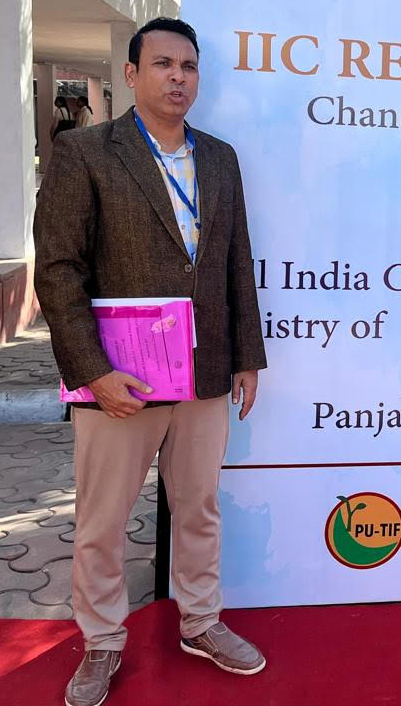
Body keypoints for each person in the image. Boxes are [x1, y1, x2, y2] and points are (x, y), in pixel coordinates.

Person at [33, 17, 268, 706]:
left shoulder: (219, 158)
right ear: (132, 74)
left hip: (205, 369)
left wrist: (246, 355)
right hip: (121, 376)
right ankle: (103, 639)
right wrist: (91, 371)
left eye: (188, 66)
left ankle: (200, 621)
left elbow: (236, 260)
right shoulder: (85, 152)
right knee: (103, 519)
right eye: (163, 64)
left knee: (198, 507)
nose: (177, 77)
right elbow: (59, 270)